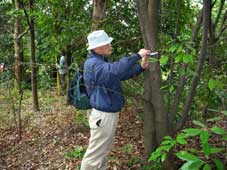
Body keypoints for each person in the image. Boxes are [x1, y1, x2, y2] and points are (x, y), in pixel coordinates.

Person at [81, 30, 150, 170]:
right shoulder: (94, 64)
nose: (110, 45)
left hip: (105, 114)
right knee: (95, 154)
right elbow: (115, 70)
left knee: (103, 151)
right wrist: (137, 56)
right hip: (102, 116)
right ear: (98, 48)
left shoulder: (100, 62)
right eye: (107, 43)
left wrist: (140, 67)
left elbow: (119, 75)